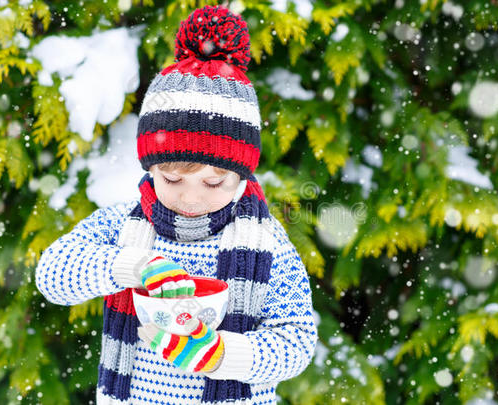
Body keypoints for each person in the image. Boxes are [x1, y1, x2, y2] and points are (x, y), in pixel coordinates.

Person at [34, 4, 318, 405]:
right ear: (150, 168)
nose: (190, 197)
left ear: (242, 175)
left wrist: (222, 355)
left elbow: (297, 341)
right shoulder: (123, 225)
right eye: (171, 178)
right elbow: (52, 275)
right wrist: (132, 265)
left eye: (214, 182)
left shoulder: (268, 242)